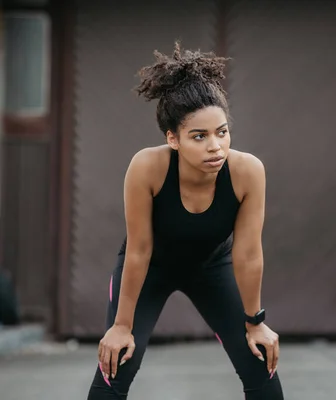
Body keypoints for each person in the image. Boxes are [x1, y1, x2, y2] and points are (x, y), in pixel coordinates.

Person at [87, 42, 284, 399]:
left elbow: (248, 255)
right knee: (116, 364)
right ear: (172, 138)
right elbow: (138, 250)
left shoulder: (247, 172)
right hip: (150, 268)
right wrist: (121, 325)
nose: (216, 146)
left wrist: (256, 321)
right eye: (200, 136)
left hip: (213, 266)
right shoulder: (147, 167)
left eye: (222, 132)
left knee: (261, 366)